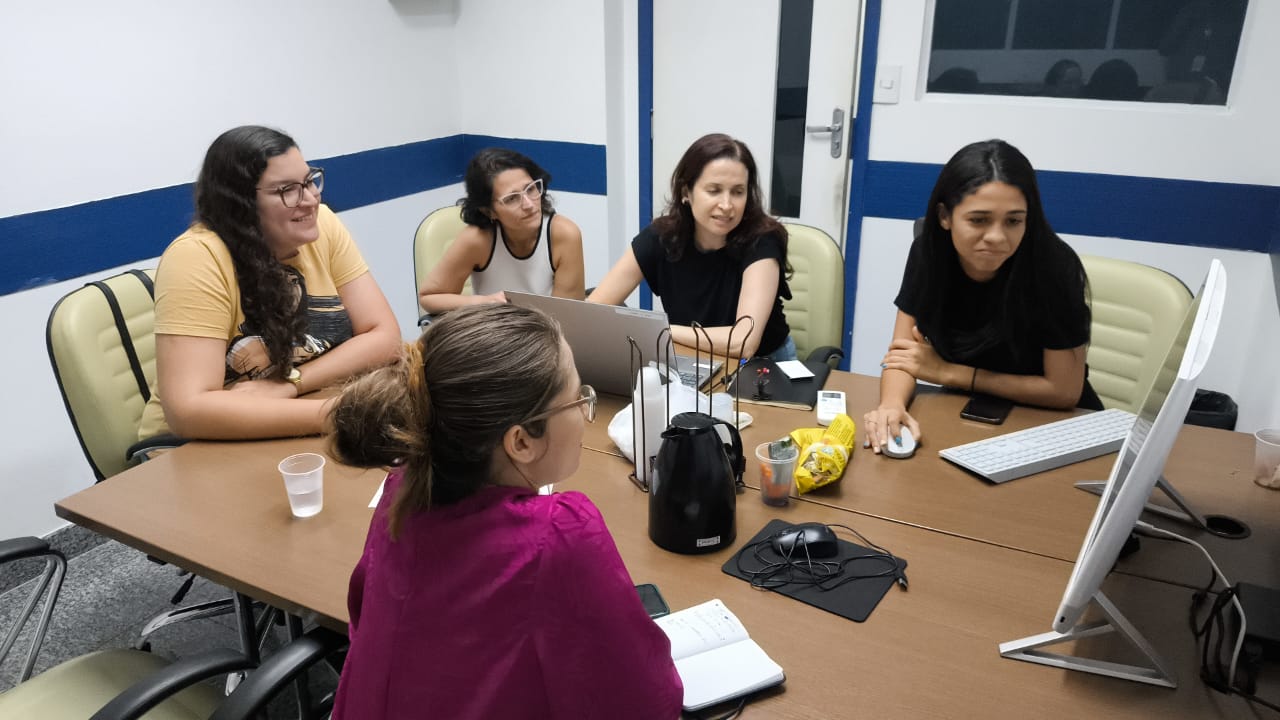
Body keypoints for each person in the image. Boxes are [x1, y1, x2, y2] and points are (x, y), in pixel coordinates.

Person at [327, 303, 683, 719]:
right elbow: (644, 702)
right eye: (577, 398)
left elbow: (362, 612)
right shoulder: (557, 536)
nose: (587, 414)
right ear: (521, 442)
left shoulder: (401, 490)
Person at [137, 125, 401, 442]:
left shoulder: (323, 223)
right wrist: (342, 415)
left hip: (295, 415)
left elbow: (384, 335)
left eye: (309, 181)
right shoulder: (197, 257)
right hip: (196, 448)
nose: (310, 200)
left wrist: (291, 383)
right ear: (240, 204)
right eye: (287, 190)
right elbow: (189, 411)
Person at [863, 139, 1102, 453]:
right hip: (964, 416)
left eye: (1014, 221)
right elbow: (904, 356)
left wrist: (950, 373)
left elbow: (1064, 391)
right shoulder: (929, 253)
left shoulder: (1053, 267)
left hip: (1051, 427)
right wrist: (891, 406)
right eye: (979, 220)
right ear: (945, 216)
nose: (997, 237)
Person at [589, 133, 794, 360]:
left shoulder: (763, 240)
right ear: (686, 192)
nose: (727, 205)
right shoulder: (661, 237)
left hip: (764, 367)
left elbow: (743, 342)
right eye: (714, 190)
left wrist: (661, 329)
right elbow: (593, 311)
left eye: (737, 192)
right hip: (694, 359)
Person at [418, 148, 585, 314]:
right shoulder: (477, 239)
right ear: (488, 211)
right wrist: (483, 302)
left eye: (531, 189)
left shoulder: (564, 234)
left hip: (547, 335)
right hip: (494, 334)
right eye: (512, 198)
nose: (529, 204)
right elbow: (430, 296)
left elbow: (567, 319)